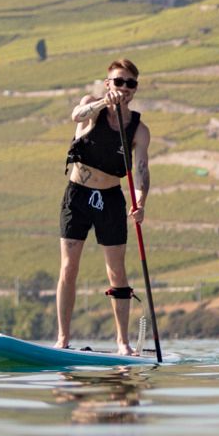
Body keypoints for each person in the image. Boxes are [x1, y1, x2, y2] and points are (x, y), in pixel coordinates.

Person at [57, 58, 151, 354]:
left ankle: (122, 343)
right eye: (118, 81)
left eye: (130, 83)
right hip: (78, 195)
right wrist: (101, 104)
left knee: (117, 273)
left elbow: (142, 171)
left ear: (135, 89)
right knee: (69, 268)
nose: (124, 88)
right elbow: (76, 115)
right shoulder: (91, 108)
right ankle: (62, 340)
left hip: (110, 199)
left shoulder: (139, 130)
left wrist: (141, 202)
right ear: (108, 83)